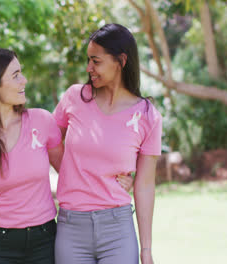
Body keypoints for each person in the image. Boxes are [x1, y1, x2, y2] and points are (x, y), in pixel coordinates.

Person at [0, 48, 134, 264]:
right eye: (16, 75)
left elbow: (72, 172)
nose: (24, 80)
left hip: (44, 242)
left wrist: (116, 180)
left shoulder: (41, 121)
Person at [53, 23, 162, 264]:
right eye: (88, 60)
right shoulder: (74, 97)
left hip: (118, 230)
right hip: (71, 228)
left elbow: (144, 186)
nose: (89, 68)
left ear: (121, 60)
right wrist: (77, 173)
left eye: (96, 61)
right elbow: (49, 142)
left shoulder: (147, 115)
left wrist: (146, 250)